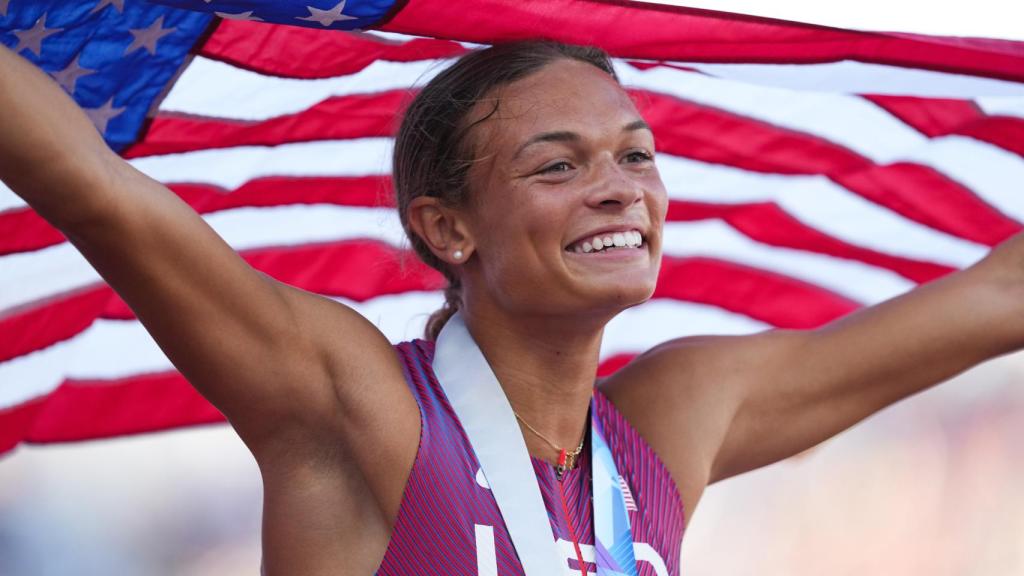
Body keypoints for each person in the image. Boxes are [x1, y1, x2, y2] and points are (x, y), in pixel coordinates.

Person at [2, 38, 1023, 575]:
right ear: (449, 229)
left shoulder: (677, 414)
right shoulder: (353, 402)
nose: (622, 188)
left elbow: (999, 292)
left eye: (635, 155)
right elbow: (100, 191)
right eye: (557, 165)